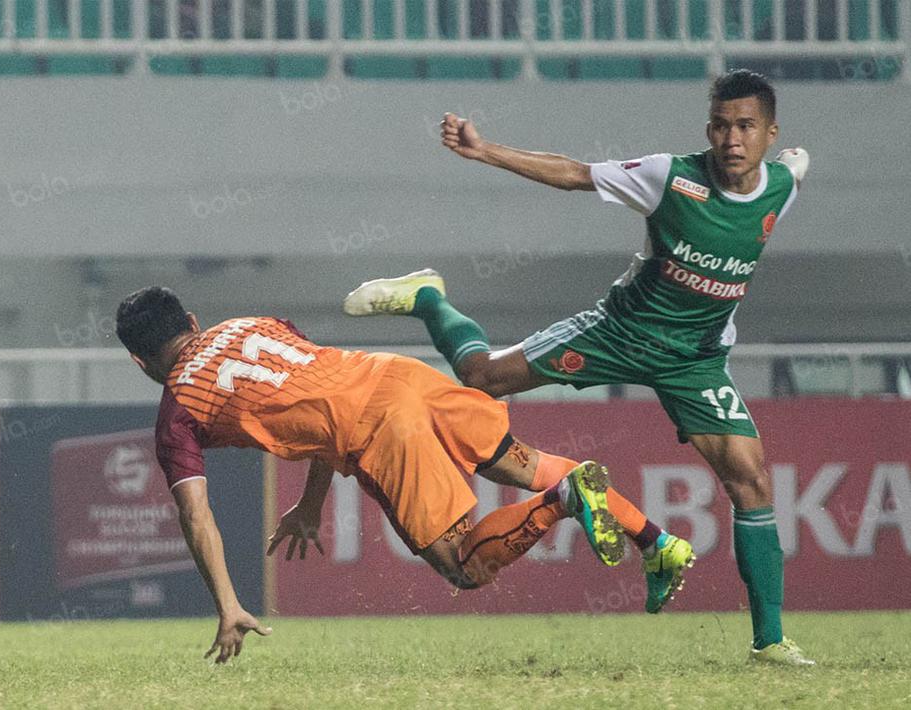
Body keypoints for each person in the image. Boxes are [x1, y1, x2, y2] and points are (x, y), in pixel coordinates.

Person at [342, 69, 812, 666]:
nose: (732, 140)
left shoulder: (781, 185)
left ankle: (769, 642)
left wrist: (796, 159)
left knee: (752, 481)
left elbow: (796, 165)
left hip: (696, 359)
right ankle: (430, 297)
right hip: (618, 333)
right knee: (483, 378)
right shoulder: (671, 177)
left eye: (746, 127)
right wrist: (484, 150)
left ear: (769, 133)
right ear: (708, 129)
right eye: (720, 126)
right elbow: (574, 174)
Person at [116, 286, 690, 664]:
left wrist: (228, 604)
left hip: (381, 427)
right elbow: (317, 390)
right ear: (192, 321)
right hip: (397, 374)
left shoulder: (177, 414)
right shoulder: (254, 323)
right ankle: (656, 542)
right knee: (527, 465)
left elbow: (196, 515)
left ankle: (565, 499)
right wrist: (313, 504)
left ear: (139, 363)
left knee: (463, 565)